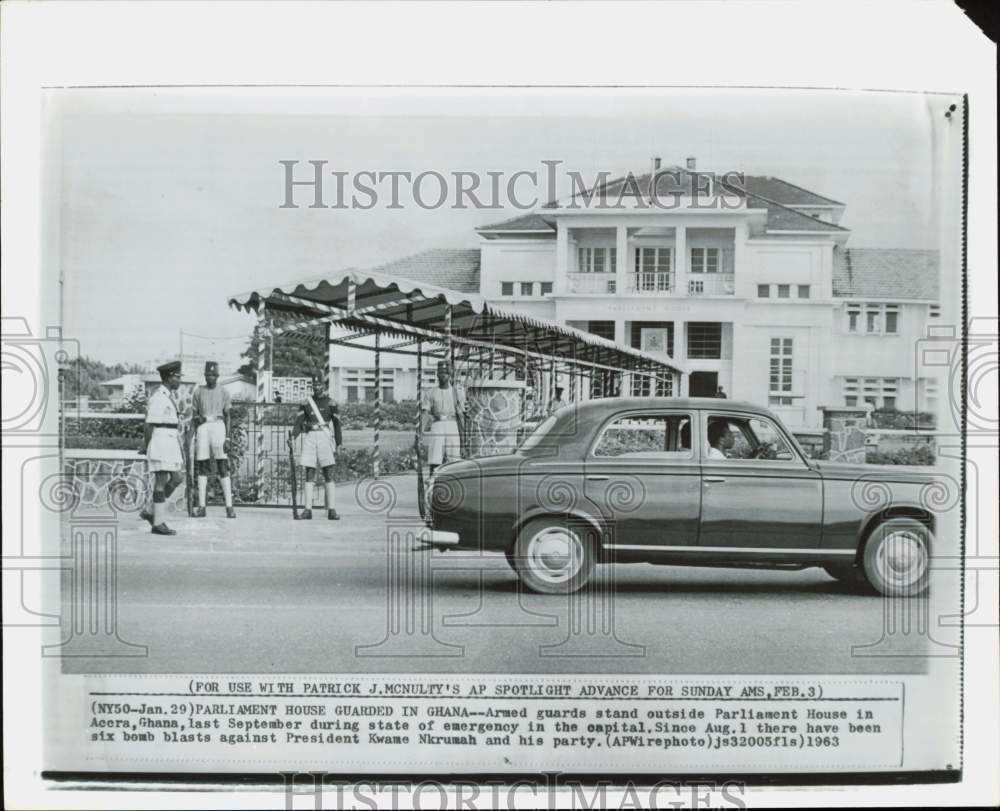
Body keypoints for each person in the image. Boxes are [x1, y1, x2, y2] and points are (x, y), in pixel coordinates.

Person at [140, 361, 186, 535]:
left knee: (177, 478)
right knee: (161, 481)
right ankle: (158, 523)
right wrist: (147, 445)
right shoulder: (159, 397)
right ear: (170, 377)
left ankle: (151, 511)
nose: (179, 381)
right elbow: (148, 425)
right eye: (178, 377)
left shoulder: (167, 396)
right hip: (161, 442)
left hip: (169, 442)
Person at [288, 374, 343, 520]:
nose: (317, 387)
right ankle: (307, 510)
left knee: (328, 472)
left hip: (325, 437)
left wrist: (339, 444)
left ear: (324, 386)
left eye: (320, 385)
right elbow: (299, 422)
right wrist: (293, 436)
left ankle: (331, 510)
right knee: (309, 473)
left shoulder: (331, 403)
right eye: (315, 385)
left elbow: (337, 425)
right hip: (310, 437)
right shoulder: (306, 403)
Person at [192, 361, 235, 518]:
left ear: (217, 376)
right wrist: (198, 420)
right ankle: (202, 507)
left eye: (212, 375)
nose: (210, 377)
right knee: (202, 465)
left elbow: (229, 415)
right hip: (203, 428)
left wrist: (228, 438)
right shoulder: (198, 391)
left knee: (222, 465)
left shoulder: (224, 392)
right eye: (207, 375)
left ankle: (229, 507)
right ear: (205, 375)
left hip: (218, 426)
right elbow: (194, 415)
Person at [421, 360, 466, 477]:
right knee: (435, 459)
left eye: (446, 372)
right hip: (437, 425)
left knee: (454, 460)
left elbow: (460, 415)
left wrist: (463, 438)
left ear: (450, 374)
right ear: (437, 374)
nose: (443, 375)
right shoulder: (431, 392)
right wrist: (420, 432)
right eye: (440, 372)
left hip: (452, 425)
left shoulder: (457, 392)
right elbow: (425, 412)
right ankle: (433, 486)